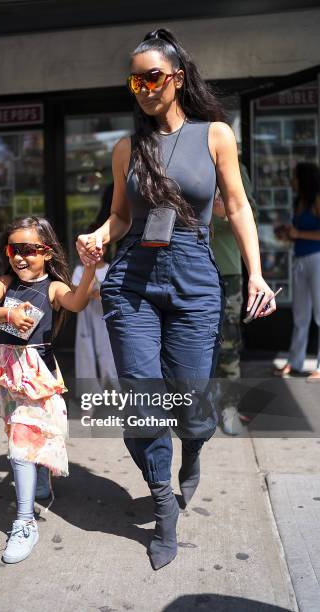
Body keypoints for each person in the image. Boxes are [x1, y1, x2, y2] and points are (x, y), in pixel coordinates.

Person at [76, 28, 276, 571]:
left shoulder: (215, 135)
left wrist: (256, 274)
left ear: (178, 79)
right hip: (133, 280)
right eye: (134, 79)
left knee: (189, 399)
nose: (142, 87)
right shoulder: (126, 147)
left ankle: (194, 447)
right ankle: (163, 503)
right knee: (143, 399)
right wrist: (99, 235)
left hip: (193, 277)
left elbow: (237, 207)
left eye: (153, 77)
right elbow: (120, 216)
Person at [0, 216, 97, 563]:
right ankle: (40, 480)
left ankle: (25, 522)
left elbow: (78, 302)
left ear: (48, 253)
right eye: (13, 250)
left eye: (29, 250)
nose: (20, 257)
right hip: (8, 372)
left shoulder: (52, 288)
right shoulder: (5, 282)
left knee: (21, 440)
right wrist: (6, 316)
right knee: (18, 432)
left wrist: (89, 271)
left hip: (38, 373)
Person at [211, 164, 257, 435]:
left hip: (226, 270)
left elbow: (249, 211)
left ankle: (229, 406)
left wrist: (224, 213)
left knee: (227, 344)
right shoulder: (180, 156)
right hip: (187, 270)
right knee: (189, 344)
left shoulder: (234, 167)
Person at [274, 162, 320, 381]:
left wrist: (298, 233)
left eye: (294, 176)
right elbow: (298, 233)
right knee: (300, 315)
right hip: (301, 260)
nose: (291, 180)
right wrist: (288, 234)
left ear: (304, 179)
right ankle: (295, 361)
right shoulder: (299, 201)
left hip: (317, 259)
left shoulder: (317, 199)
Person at [72, 235, 118, 400]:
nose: (97, 251)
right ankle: (90, 398)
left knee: (109, 352)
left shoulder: (112, 268)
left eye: (101, 247)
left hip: (106, 316)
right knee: (86, 353)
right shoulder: (80, 270)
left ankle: (115, 392)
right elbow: (75, 291)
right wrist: (91, 292)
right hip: (87, 315)